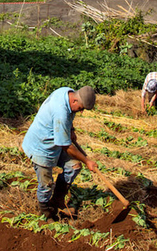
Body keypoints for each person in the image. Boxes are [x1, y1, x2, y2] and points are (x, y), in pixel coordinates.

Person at [22, 86, 98, 219]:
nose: (80, 112)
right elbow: (66, 146)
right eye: (80, 108)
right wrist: (87, 161)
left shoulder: (67, 92)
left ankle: (57, 200)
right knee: (46, 184)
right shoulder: (61, 112)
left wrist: (71, 129)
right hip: (41, 147)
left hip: (55, 142)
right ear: (74, 101)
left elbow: (69, 120)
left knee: (74, 166)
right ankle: (45, 211)